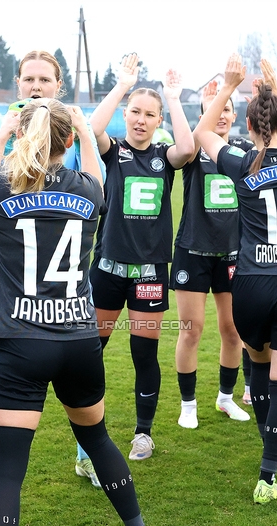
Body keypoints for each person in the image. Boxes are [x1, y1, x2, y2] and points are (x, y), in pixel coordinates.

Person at [0, 99, 156, 526]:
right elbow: (96, 171)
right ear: (68, 140)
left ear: (22, 135)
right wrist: (82, 133)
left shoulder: (3, 185)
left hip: (18, 341)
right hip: (77, 339)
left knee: (8, 472)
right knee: (97, 438)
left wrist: (4, 132)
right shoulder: (86, 188)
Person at [0, 50, 105, 497]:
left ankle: (88, 458)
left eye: (44, 79)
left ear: (58, 85)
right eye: (28, 78)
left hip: (66, 266)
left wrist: (81, 129)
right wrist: (10, 133)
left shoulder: (68, 125)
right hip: (11, 265)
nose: (35, 86)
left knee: (79, 363)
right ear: (17, 83)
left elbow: (95, 184)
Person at [193, 55, 277, 504]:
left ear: (248, 126)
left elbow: (203, 134)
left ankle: (268, 455)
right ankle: (268, 473)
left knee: (261, 372)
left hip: (251, 283)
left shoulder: (241, 161)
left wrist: (227, 86)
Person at [88, 54, 195, 461]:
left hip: (149, 273)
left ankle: (143, 433)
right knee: (91, 349)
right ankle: (90, 428)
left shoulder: (164, 158)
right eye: (135, 111)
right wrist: (121, 86)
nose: (140, 120)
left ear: (157, 120)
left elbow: (187, 147)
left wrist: (173, 97)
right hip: (108, 269)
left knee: (143, 354)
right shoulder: (113, 150)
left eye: (150, 114)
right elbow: (92, 127)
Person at [172, 80, 253, 429]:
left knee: (233, 330)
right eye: (214, 109)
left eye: (227, 109)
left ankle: (225, 398)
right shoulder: (193, 146)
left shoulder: (245, 149)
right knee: (191, 330)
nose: (220, 114)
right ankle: (188, 405)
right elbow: (187, 146)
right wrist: (214, 100)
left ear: (236, 115)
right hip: (193, 249)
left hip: (233, 252)